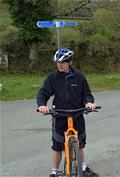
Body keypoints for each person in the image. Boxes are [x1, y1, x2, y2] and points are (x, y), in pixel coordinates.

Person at [36, 48, 99, 177]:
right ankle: (54, 172)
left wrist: (89, 103)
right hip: (60, 114)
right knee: (57, 145)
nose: (59, 65)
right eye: (57, 62)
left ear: (70, 62)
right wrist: (42, 105)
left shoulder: (79, 77)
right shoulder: (52, 78)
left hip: (77, 113)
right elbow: (43, 93)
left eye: (63, 62)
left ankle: (83, 167)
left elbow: (86, 94)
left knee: (80, 143)